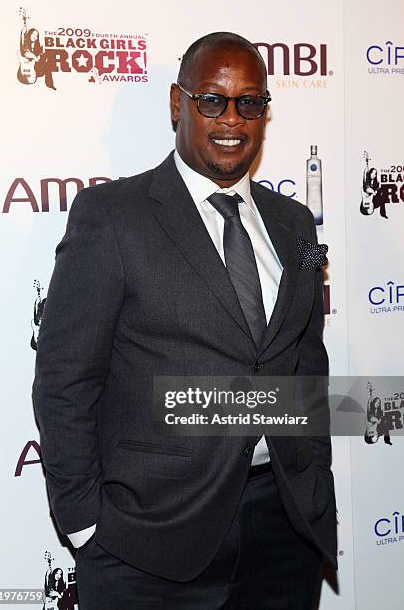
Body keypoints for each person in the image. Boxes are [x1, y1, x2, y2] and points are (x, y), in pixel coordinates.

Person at [33, 31, 337, 609]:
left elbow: (307, 363)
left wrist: (314, 477)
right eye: (212, 100)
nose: (232, 119)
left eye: (249, 102)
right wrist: (84, 526)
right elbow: (64, 382)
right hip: (148, 542)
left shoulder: (296, 223)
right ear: (178, 104)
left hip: (284, 529)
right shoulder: (113, 218)